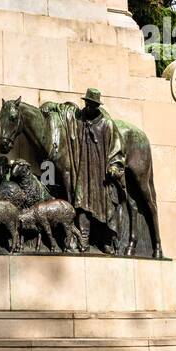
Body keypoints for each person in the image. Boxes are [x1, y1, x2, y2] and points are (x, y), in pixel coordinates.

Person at [71, 87, 126, 254]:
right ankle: (84, 238)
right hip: (83, 172)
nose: (89, 107)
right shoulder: (79, 121)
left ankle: (106, 241)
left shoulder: (107, 124)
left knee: (107, 207)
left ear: (97, 106)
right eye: (87, 103)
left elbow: (117, 149)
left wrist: (114, 165)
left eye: (93, 105)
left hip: (102, 175)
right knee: (82, 203)